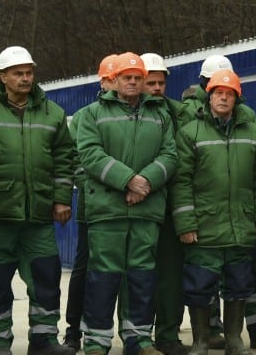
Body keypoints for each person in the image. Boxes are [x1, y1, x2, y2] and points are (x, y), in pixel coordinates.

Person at [0, 47, 76, 355]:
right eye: (17, 73)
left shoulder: (52, 113)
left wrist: (61, 198)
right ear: (1, 77)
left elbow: (64, 158)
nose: (25, 78)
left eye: (29, 72)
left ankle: (43, 340)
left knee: (46, 278)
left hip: (38, 216)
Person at [76, 52, 177, 355]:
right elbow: (90, 154)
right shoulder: (93, 113)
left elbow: (171, 155)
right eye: (126, 77)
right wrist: (128, 181)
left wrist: (144, 182)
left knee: (142, 276)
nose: (133, 82)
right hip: (107, 210)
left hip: (146, 211)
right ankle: (96, 341)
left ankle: (139, 340)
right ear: (115, 81)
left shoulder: (160, 115)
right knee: (103, 277)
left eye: (137, 77)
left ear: (144, 80)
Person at [181, 56, 256, 351]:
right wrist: (186, 223)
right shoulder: (190, 133)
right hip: (205, 227)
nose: (223, 98)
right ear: (208, 96)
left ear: (237, 98)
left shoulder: (252, 134)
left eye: (229, 94)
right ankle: (200, 340)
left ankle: (234, 338)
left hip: (241, 225)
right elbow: (182, 183)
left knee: (239, 286)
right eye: (218, 93)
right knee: (199, 287)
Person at [63, 55, 118, 352]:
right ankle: (74, 331)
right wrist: (98, 187)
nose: (115, 84)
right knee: (85, 269)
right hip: (93, 210)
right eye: (111, 79)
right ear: (103, 81)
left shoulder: (138, 114)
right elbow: (77, 161)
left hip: (126, 208)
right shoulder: (86, 115)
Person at [140, 53, 193, 355]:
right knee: (140, 275)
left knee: (173, 277)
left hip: (175, 208)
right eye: (151, 82)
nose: (157, 87)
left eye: (161, 82)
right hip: (142, 205)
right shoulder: (130, 113)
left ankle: (169, 334)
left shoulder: (181, 113)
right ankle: (138, 336)